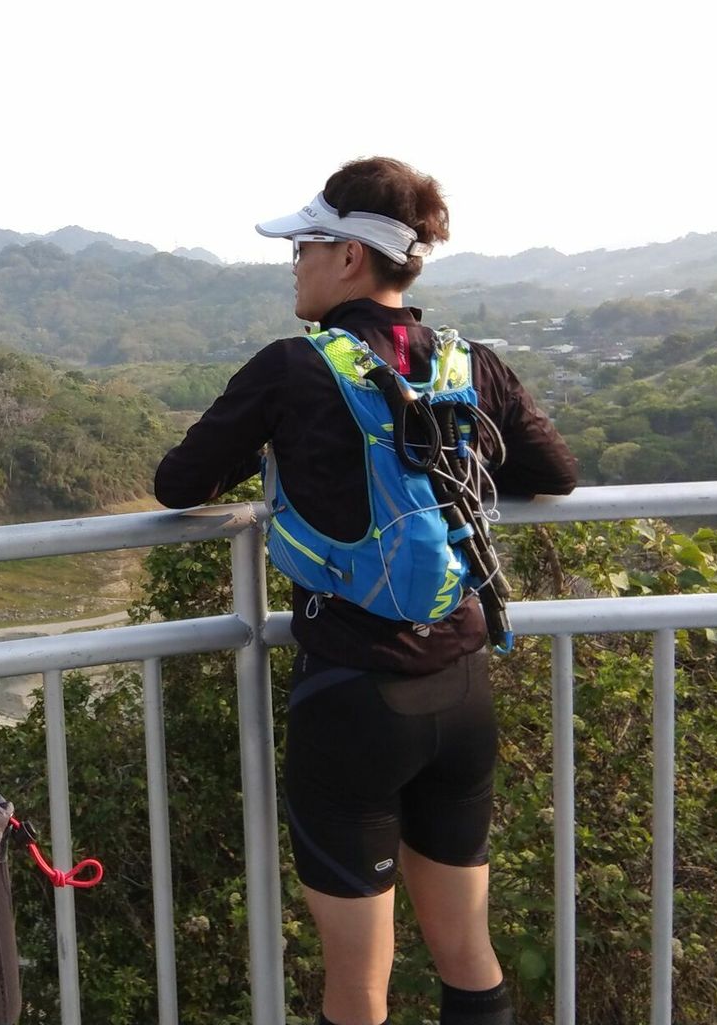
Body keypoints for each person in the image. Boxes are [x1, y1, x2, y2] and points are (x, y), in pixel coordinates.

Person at [154, 157, 577, 1025]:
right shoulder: (468, 364)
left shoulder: (292, 369)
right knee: (469, 955)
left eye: (304, 248)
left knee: (357, 988)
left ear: (349, 256)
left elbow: (177, 483)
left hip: (352, 698)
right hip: (462, 688)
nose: (295, 265)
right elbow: (555, 472)